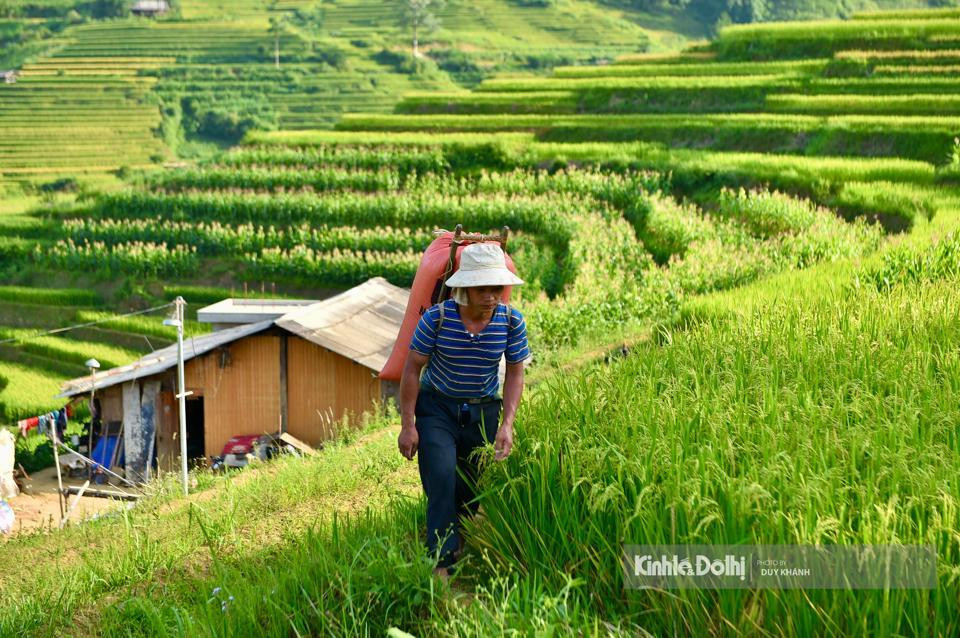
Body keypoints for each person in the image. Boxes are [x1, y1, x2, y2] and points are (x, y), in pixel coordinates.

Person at [398, 242, 530, 581]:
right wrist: (408, 425)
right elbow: (412, 370)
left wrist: (507, 424)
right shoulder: (437, 319)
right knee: (440, 478)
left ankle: (461, 533)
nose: (491, 296)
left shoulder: (510, 321)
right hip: (437, 409)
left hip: (483, 412)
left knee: (470, 488)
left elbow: (516, 371)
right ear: (464, 289)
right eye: (482, 288)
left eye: (497, 288)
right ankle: (442, 562)